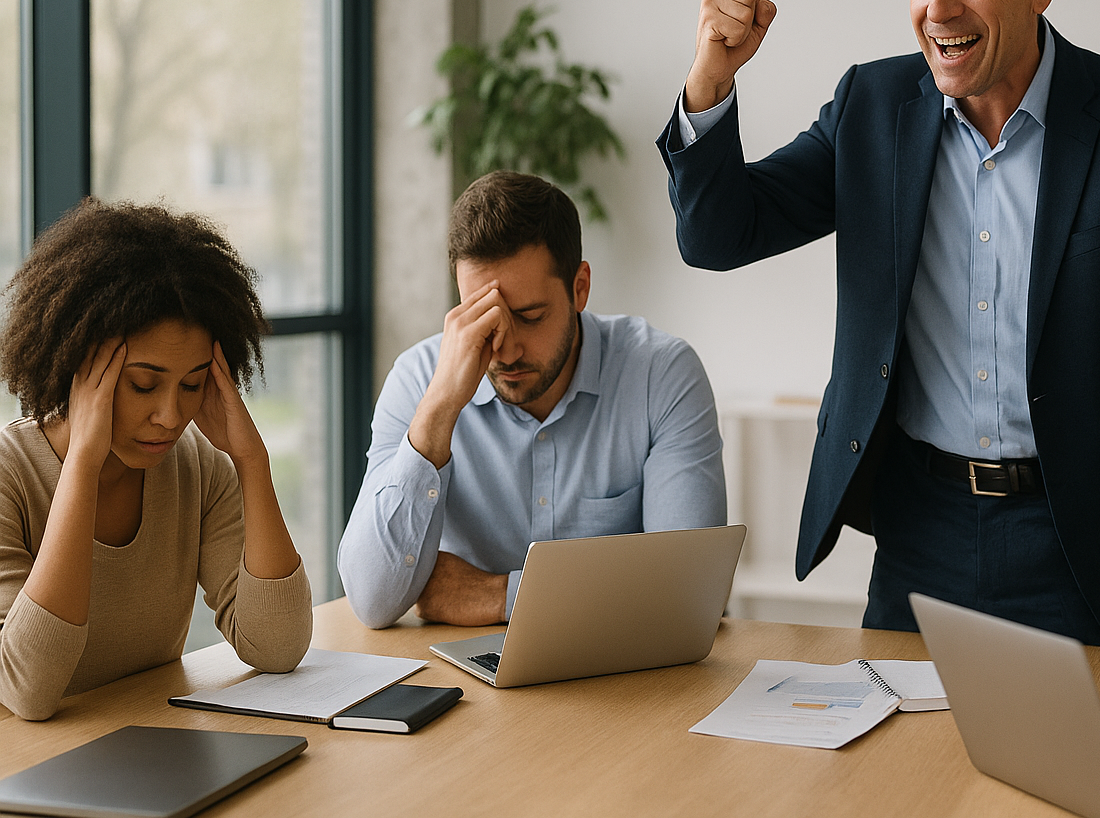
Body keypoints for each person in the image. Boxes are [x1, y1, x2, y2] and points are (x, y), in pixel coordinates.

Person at [655, 0, 1100, 641]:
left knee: (1089, 728)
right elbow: (718, 236)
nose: (939, 6)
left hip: (1088, 536)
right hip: (919, 531)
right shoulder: (871, 106)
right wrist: (709, 82)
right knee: (897, 727)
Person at [337, 171, 727, 629]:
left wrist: (496, 595)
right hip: (458, 669)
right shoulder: (418, 380)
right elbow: (371, 600)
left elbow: (690, 593)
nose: (504, 350)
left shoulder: (661, 375)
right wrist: (439, 407)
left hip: (621, 667)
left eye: (529, 316)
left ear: (579, 288)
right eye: (483, 319)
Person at [0, 200, 313, 721]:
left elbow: (278, 649)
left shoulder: (198, 469)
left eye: (192, 385)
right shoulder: (10, 475)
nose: (170, 417)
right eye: (144, 385)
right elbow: (27, 691)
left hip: (153, 744)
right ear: (79, 365)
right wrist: (82, 465)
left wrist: (252, 462)